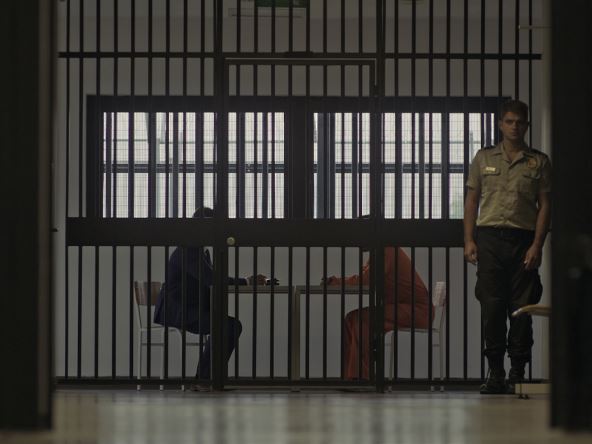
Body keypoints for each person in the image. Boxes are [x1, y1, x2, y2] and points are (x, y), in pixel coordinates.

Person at [464, 99, 551, 394]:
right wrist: (469, 240)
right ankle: (496, 372)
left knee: (521, 308)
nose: (515, 127)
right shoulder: (483, 158)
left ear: (527, 125)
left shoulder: (538, 162)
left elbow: (545, 206)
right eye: (509, 121)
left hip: (523, 241)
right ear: (500, 124)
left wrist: (537, 245)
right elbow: (472, 201)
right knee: (492, 307)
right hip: (489, 240)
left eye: (520, 122)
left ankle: (517, 372)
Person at [153, 207, 266, 390]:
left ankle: (206, 379)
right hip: (179, 310)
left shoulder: (200, 250)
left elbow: (211, 279)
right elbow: (211, 279)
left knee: (227, 325)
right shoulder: (189, 249)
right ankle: (205, 380)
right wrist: (246, 281)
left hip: (190, 307)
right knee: (227, 326)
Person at [325, 247, 433, 380]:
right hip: (405, 308)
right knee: (351, 318)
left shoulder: (386, 250)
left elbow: (366, 279)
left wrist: (336, 281)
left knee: (362, 319)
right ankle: (349, 377)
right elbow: (365, 276)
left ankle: (361, 378)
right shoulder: (378, 251)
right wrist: (338, 281)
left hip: (418, 310)